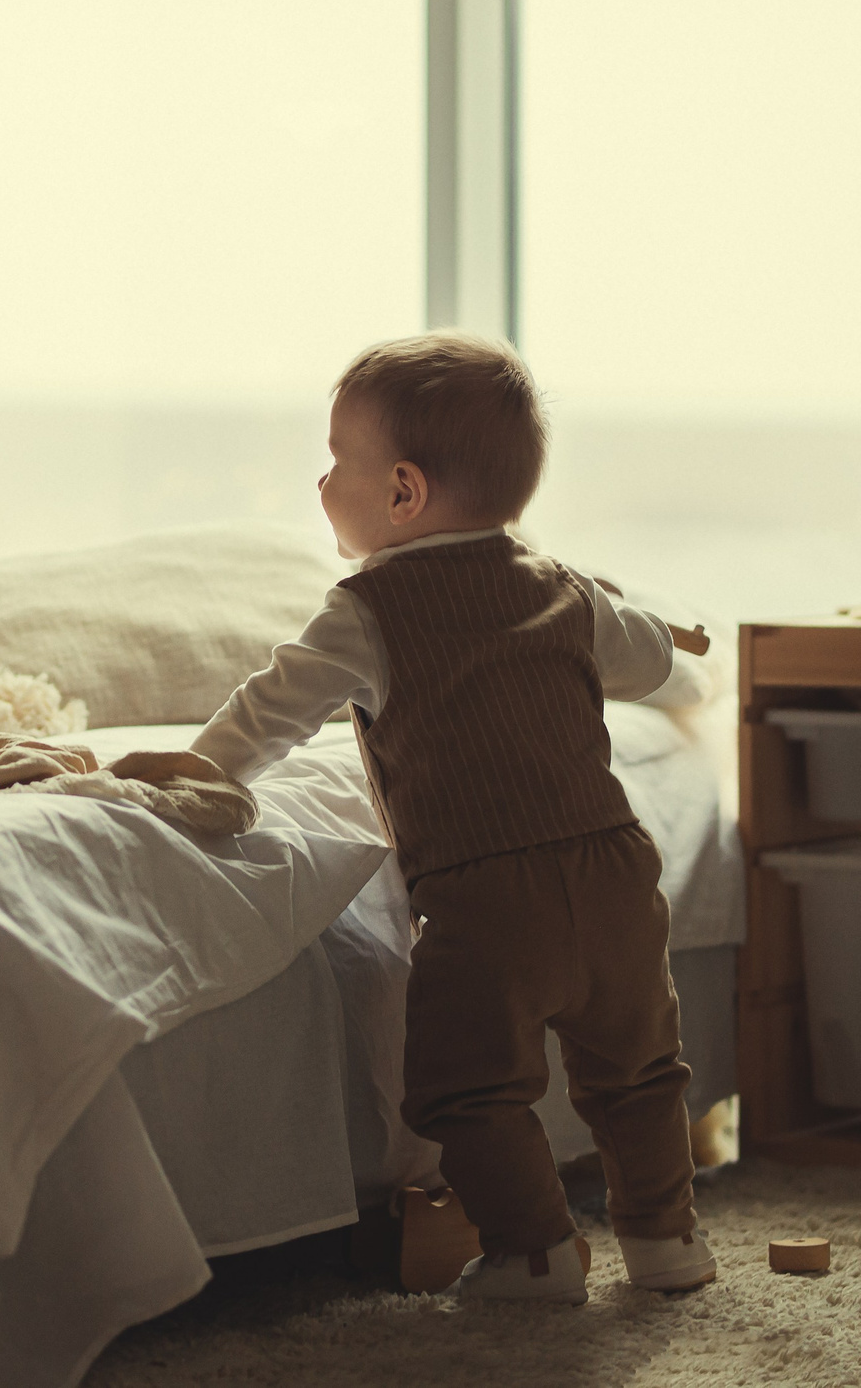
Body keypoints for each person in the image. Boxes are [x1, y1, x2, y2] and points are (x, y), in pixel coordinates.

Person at [186, 332, 714, 1304]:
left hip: (481, 894)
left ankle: (536, 1249)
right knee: (638, 1069)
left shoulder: (364, 611)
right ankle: (664, 1237)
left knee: (467, 1086)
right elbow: (655, 663)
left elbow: (268, 707)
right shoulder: (564, 589)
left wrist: (198, 772)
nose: (320, 480)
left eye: (337, 459)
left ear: (401, 493)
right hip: (612, 877)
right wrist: (650, 633)